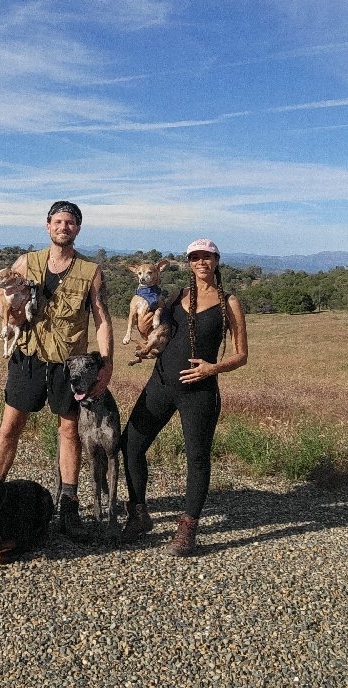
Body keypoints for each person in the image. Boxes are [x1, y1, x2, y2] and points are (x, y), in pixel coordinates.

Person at [0, 201, 113, 541]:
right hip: (28, 358)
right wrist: (8, 306)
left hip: (69, 366)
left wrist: (107, 363)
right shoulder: (26, 263)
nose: (64, 227)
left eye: (70, 222)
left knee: (69, 432)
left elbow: (101, 318)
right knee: (9, 429)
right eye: (58, 222)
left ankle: (69, 505)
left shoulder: (91, 271)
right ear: (47, 226)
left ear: (78, 229)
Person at [120, 238, 248, 555]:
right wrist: (140, 326)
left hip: (199, 392)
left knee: (197, 459)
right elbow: (151, 332)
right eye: (195, 257)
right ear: (189, 263)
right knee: (130, 444)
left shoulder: (228, 302)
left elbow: (242, 354)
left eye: (207, 257)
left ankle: (187, 530)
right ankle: (138, 514)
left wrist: (212, 368)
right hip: (160, 384)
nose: (201, 262)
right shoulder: (177, 296)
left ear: (217, 261)